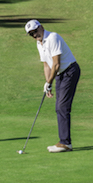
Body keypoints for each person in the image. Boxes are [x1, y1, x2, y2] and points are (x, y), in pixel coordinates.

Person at [25, 19, 81, 153]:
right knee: (59, 107)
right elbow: (46, 64)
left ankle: (65, 143)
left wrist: (50, 82)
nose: (34, 35)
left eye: (35, 31)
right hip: (59, 74)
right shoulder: (39, 44)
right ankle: (64, 142)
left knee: (62, 106)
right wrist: (47, 83)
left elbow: (56, 64)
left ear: (41, 27)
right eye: (31, 34)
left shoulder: (52, 37)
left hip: (69, 71)